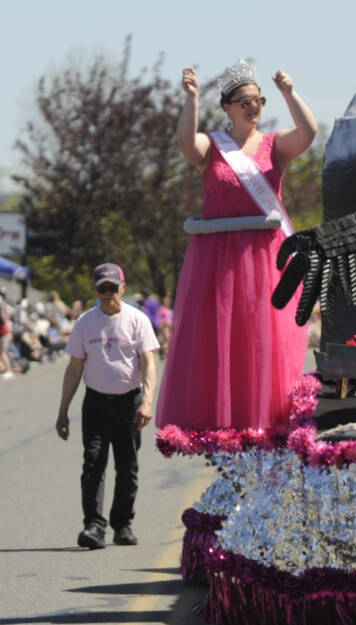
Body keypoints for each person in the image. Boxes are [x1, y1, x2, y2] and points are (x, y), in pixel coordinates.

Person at [156, 60, 317, 430]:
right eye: (244, 101)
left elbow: (307, 133)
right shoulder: (212, 147)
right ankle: (223, 425)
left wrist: (289, 93)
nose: (253, 106)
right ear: (227, 106)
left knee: (264, 342)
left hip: (265, 258)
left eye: (258, 100)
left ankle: (267, 423)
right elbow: (185, 142)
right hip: (218, 261)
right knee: (220, 344)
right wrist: (191, 99)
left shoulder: (275, 146)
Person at [56, 264, 159, 549]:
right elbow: (74, 369)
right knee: (92, 464)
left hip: (129, 402)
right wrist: (63, 411)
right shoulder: (85, 323)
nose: (107, 294)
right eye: (102, 288)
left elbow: (149, 365)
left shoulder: (137, 320)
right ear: (95, 290)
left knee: (128, 466)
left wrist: (147, 401)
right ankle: (94, 526)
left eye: (112, 288)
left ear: (123, 288)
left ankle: (123, 524)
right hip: (96, 402)